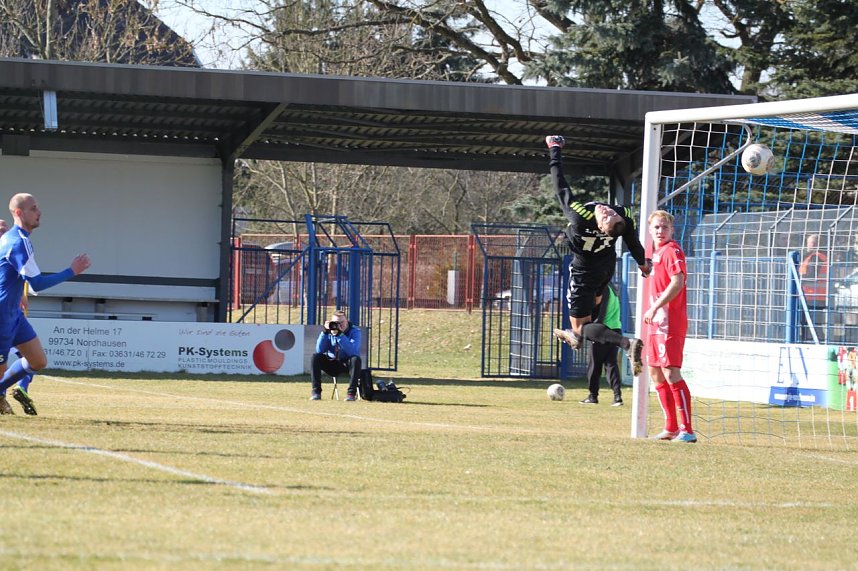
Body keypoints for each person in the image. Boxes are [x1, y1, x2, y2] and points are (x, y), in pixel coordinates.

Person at [546, 135, 651, 376]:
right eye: (609, 212)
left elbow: (560, 186)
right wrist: (643, 263)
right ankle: (579, 335)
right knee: (589, 318)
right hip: (605, 269)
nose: (606, 210)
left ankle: (626, 344)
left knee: (582, 328)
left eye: (607, 216)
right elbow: (632, 240)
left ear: (601, 228)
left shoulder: (581, 217)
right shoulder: (623, 213)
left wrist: (555, 149)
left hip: (584, 274)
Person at [0, 194, 91, 415]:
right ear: (19, 213)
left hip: (14, 314)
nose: (39, 212)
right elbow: (38, 283)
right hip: (1, 316)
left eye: (38, 207)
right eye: (33, 208)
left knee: (38, 361)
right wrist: (71, 271)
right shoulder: (18, 242)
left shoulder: (17, 239)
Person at [642, 210, 696, 443]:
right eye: (656, 227)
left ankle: (687, 430)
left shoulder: (672, 250)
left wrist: (655, 307)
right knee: (654, 371)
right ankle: (671, 427)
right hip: (656, 322)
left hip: (669, 320)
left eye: (664, 227)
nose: (660, 231)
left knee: (670, 371)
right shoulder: (655, 254)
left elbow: (678, 281)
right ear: (650, 230)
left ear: (672, 230)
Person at [0, 219, 37, 415]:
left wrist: (22, 295)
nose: (3, 233)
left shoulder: (13, 249)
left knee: (30, 357)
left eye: (5, 230)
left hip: (13, 315)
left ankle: (15, 390)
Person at [579, 284, 624, 406]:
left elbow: (601, 313)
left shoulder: (603, 289)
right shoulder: (613, 289)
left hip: (604, 331)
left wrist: (593, 329)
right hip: (616, 329)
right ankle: (617, 397)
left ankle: (593, 396)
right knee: (611, 364)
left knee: (594, 365)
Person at [309, 309, 362, 401]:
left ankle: (351, 394)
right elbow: (320, 350)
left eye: (342, 322)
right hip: (332, 362)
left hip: (347, 364)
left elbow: (352, 351)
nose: (340, 325)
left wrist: (340, 335)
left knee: (356, 359)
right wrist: (325, 333)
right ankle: (316, 392)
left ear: (347, 321)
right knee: (315, 357)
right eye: (337, 323)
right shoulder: (329, 331)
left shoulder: (355, 331)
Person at [798, 233, 828, 342]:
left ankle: (814, 343)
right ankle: (812, 342)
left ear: (814, 244)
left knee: (811, 323)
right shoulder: (818, 257)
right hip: (814, 296)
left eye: (809, 243)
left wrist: (796, 277)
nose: (807, 245)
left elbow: (811, 275)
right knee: (811, 323)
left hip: (812, 296)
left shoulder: (816, 257)